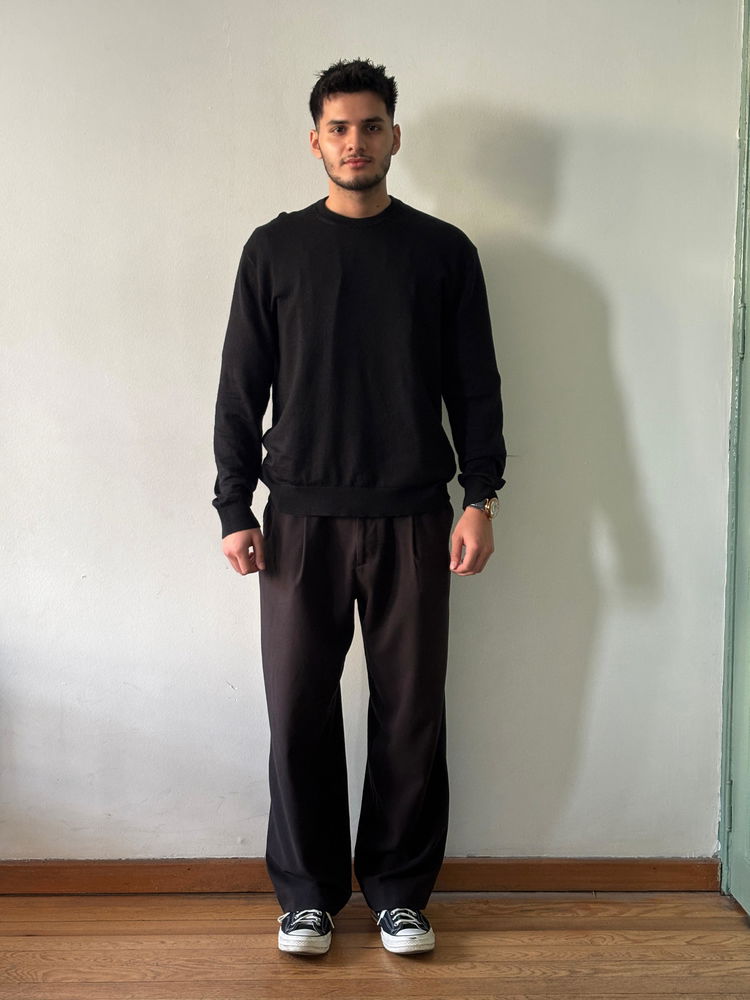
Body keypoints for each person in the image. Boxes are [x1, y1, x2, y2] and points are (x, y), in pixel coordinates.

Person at [212, 57, 507, 957]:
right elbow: (240, 387)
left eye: (370, 126)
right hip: (299, 519)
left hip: (416, 515)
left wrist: (480, 496)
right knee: (297, 708)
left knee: (411, 710)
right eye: (339, 128)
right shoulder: (273, 250)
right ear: (315, 142)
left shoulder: (443, 252)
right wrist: (234, 506)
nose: (355, 142)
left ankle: (399, 893)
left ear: (395, 136)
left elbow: (475, 386)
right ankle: (306, 896)